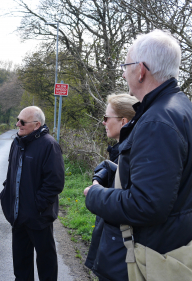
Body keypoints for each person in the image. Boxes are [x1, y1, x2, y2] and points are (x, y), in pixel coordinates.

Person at [84, 29, 192, 280]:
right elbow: (169, 180)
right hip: (170, 245)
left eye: (126, 65)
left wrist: (96, 196)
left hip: (148, 257)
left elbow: (148, 204)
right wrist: (117, 170)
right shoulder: (180, 107)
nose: (123, 71)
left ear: (141, 70)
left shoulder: (157, 121)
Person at [0, 106, 65, 281]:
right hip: (18, 216)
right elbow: (11, 174)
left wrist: (37, 206)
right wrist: (7, 194)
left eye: (22, 122)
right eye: (18, 119)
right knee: (21, 266)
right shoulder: (17, 142)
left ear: (36, 125)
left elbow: (55, 183)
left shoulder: (49, 145)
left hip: (39, 217)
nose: (17, 124)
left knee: (46, 265)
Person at [84, 93, 138, 281]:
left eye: (106, 118)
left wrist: (95, 193)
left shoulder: (133, 153)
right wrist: (103, 172)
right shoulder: (123, 151)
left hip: (122, 254)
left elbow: (131, 202)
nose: (103, 122)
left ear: (123, 121)